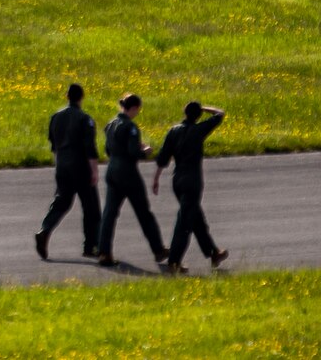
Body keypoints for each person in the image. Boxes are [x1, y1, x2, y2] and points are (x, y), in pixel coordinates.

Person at [154, 100, 230, 273]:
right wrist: (204, 108)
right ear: (198, 115)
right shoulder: (199, 130)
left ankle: (214, 253)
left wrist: (156, 179)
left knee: (196, 220)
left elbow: (163, 158)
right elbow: (220, 113)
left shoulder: (173, 131)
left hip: (177, 180)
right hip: (192, 181)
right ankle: (173, 262)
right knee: (185, 224)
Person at [96, 92, 167, 267]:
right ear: (133, 108)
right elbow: (133, 152)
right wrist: (145, 151)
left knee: (109, 214)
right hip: (128, 172)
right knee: (144, 213)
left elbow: (107, 150)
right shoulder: (130, 127)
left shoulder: (110, 124)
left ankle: (104, 252)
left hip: (112, 170)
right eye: (137, 110)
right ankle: (158, 249)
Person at [35, 82, 100, 260]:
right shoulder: (84, 118)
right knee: (91, 207)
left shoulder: (56, 117)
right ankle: (91, 245)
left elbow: (53, 144)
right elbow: (90, 147)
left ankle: (45, 230)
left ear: (67, 96)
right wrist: (94, 170)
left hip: (62, 165)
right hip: (81, 167)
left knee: (61, 202)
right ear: (82, 97)